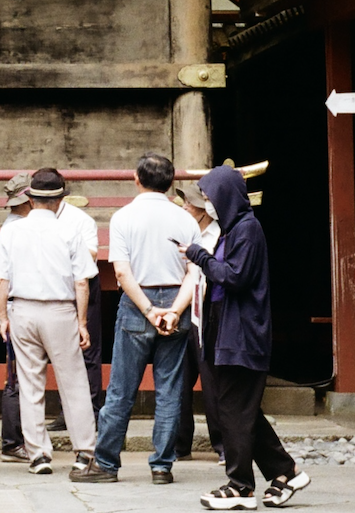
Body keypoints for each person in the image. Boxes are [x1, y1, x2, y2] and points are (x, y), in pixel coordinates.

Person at [182, 167, 311, 512]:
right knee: (240, 410)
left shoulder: (248, 230)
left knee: (234, 412)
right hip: (227, 330)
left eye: (209, 197)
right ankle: (286, 471)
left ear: (224, 197)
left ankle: (240, 486)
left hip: (243, 332)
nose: (206, 203)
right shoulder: (232, 230)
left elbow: (235, 277)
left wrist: (199, 255)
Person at [76, 153, 201, 487]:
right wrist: (173, 310)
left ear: (136, 178)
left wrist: (148, 309)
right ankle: (162, 465)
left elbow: (121, 271)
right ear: (172, 182)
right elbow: (195, 271)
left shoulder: (123, 217)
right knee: (170, 390)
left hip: (137, 303)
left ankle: (106, 463)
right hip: (177, 301)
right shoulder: (186, 219)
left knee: (120, 391)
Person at [0, 170, 97, 477]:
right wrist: (82, 322)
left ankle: (38, 455)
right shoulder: (70, 232)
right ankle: (84, 452)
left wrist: (4, 317)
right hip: (60, 310)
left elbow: (2, 278)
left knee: (30, 383)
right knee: (74, 383)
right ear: (60, 199)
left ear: (30, 197)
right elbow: (82, 283)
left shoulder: (11, 231)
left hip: (23, 309)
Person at [34, 169, 103, 428]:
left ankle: (92, 410)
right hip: (49, 287)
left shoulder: (79, 220)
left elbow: (92, 255)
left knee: (87, 350)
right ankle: (66, 412)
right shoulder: (32, 222)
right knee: (57, 352)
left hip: (80, 284)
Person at [174, 182, 223, 463]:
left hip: (210, 312)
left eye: (189, 204)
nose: (184, 207)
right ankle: (180, 444)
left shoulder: (220, 235)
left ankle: (222, 444)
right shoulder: (184, 232)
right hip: (184, 309)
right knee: (179, 379)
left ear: (204, 210)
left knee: (212, 380)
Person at [0, 171, 32, 461]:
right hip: (21, 305)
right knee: (18, 378)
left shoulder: (10, 227)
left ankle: (15, 439)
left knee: (16, 375)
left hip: (15, 305)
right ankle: (13, 440)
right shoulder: (19, 229)